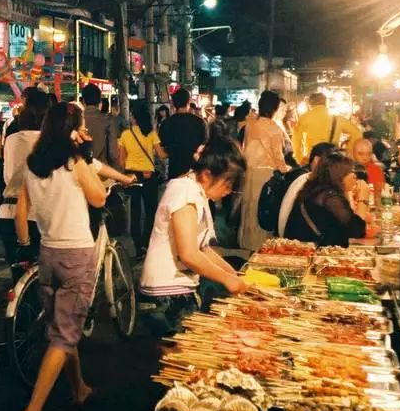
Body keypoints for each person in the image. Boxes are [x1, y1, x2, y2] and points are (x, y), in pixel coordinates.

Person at [14, 102, 108, 411]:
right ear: (73, 127)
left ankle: (78, 386)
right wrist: (86, 156)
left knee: (61, 325)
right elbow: (98, 198)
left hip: (49, 253)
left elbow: (25, 205)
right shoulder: (74, 162)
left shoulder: (34, 164)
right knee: (65, 334)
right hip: (76, 253)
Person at [139, 136, 249, 338]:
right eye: (228, 183)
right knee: (179, 357)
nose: (229, 191)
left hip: (175, 289)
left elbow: (203, 248)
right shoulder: (185, 192)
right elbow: (189, 254)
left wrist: (232, 274)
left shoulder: (196, 191)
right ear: (207, 175)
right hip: (166, 293)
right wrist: (227, 279)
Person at [0, 87, 48, 280]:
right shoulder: (46, 142)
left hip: (6, 212)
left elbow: (6, 176)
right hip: (35, 215)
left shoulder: (10, 139)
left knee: (18, 278)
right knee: (39, 279)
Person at [239, 91, 290, 250]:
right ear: (275, 108)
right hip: (266, 176)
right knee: (262, 211)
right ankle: (260, 246)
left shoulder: (250, 125)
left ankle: (246, 243)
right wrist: (286, 171)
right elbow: (278, 156)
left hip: (249, 172)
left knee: (248, 209)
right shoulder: (273, 129)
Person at [284, 152, 369, 246]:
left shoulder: (319, 189)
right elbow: (357, 230)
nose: (355, 176)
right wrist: (363, 198)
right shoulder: (329, 197)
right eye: (350, 171)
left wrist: (347, 190)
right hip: (309, 253)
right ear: (339, 175)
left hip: (308, 248)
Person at [119, 102, 165, 253]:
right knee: (151, 210)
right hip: (148, 175)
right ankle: (147, 242)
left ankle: (138, 246)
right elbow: (161, 155)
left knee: (135, 211)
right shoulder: (151, 134)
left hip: (132, 176)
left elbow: (121, 160)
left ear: (134, 117)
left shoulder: (125, 135)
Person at [277, 142, 337, 237]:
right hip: (299, 242)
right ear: (317, 160)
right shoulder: (308, 180)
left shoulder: (304, 176)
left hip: (295, 237)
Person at [292, 92, 362, 164]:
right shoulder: (337, 118)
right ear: (326, 103)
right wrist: (349, 150)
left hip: (312, 159)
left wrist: (299, 158)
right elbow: (357, 133)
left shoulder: (305, 117)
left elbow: (296, 138)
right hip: (332, 159)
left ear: (309, 104)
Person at [159, 87, 207, 178]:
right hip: (194, 172)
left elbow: (161, 147)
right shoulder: (200, 122)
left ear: (173, 103)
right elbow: (205, 145)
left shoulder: (167, 123)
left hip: (174, 171)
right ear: (188, 101)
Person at [81, 83, 119, 168]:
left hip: (80, 172)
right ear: (100, 102)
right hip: (102, 173)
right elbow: (113, 154)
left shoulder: (75, 119)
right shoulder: (108, 121)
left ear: (83, 101)